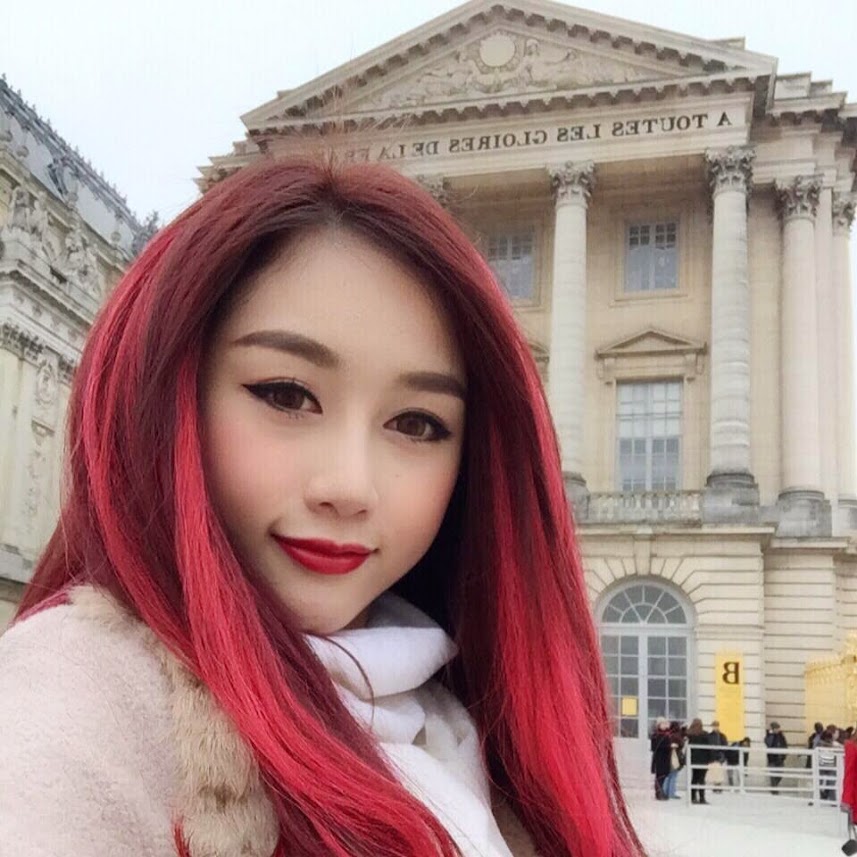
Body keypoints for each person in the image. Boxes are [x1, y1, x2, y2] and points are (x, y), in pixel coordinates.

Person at [0, 159, 645, 857]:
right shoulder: (78, 696)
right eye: (286, 394)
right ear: (171, 402)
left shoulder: (461, 719)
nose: (350, 486)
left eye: (417, 423)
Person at [686, 718, 711, 804]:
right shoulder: (705, 734)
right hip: (704, 760)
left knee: (694, 778)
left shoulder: (690, 735)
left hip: (693, 760)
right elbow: (709, 748)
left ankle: (693, 797)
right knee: (702, 779)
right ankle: (702, 798)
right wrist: (711, 759)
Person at [650, 717, 673, 800]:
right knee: (659, 776)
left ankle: (660, 792)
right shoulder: (656, 735)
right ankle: (659, 793)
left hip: (665, 758)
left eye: (665, 723)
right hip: (659, 758)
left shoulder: (667, 734)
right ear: (659, 725)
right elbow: (654, 747)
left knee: (663, 776)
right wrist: (668, 746)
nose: (665, 725)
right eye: (663, 724)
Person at [662, 720, 685, 799]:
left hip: (667, 757)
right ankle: (671, 793)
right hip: (674, 758)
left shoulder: (668, 734)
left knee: (668, 776)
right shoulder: (677, 736)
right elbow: (681, 744)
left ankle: (665, 792)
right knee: (673, 776)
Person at [765, 721, 789, 794]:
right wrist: (771, 734)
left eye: (778, 728)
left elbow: (785, 745)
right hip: (772, 759)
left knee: (780, 774)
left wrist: (784, 754)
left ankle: (774, 787)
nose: (778, 730)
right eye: (776, 728)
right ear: (773, 729)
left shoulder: (781, 736)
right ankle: (774, 790)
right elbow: (768, 743)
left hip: (780, 758)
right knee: (773, 775)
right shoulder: (769, 735)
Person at [708, 720, 728, 793]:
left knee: (719, 772)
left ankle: (718, 786)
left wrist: (722, 755)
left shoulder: (722, 736)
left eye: (716, 726)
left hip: (719, 756)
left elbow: (725, 746)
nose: (714, 727)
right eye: (713, 726)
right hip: (712, 756)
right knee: (714, 772)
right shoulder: (710, 735)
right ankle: (716, 786)